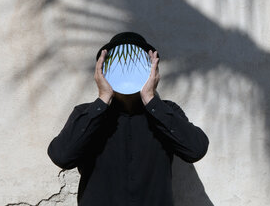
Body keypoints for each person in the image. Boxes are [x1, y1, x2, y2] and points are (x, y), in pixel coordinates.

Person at [47, 33, 209, 205]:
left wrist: (151, 100)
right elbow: (61, 156)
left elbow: (196, 149)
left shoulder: (166, 111)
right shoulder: (87, 113)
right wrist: (103, 99)